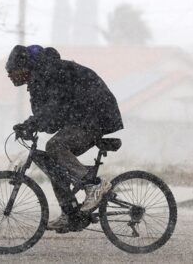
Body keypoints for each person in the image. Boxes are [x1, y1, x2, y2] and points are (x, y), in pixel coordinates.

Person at [6, 44, 123, 232]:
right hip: (84, 116)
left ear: (25, 67)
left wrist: (32, 124)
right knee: (54, 165)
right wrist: (31, 125)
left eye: (12, 71)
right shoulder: (39, 79)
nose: (9, 76)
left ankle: (95, 185)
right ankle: (71, 214)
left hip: (95, 115)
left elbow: (54, 108)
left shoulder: (50, 72)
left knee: (55, 145)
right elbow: (51, 120)